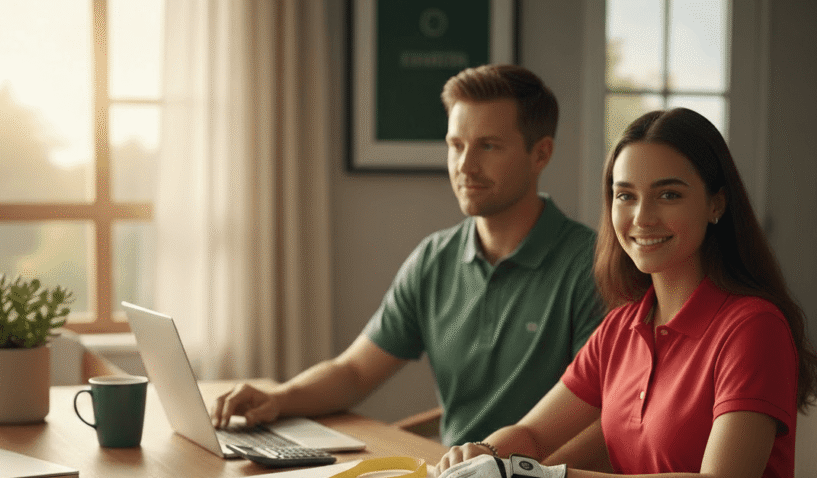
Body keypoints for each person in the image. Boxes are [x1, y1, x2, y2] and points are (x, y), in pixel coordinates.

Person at [427, 108, 817, 478]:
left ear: (716, 204)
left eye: (669, 194)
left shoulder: (752, 327)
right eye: (625, 196)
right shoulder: (622, 327)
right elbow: (533, 435)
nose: (642, 217)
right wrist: (482, 455)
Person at [210, 64, 605, 446]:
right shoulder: (435, 258)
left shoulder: (592, 266)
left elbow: (603, 418)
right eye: (456, 145)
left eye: (489, 146)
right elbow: (354, 372)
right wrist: (280, 398)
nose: (465, 165)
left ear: (540, 154)